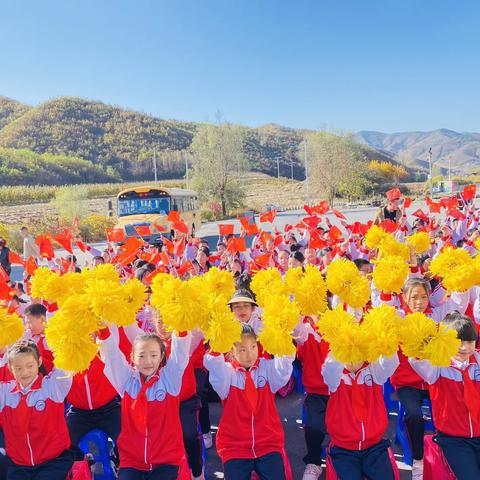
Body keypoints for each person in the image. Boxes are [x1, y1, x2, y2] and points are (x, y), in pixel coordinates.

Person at [97, 325, 192, 480]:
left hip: (166, 462)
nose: (148, 361)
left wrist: (181, 326)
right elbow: (112, 358)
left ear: (162, 356)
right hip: (132, 462)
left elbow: (179, 356)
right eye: (141, 356)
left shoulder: (169, 380)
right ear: (132, 357)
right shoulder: (127, 381)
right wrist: (102, 329)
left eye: (154, 355)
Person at [204, 323, 294, 480]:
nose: (250, 354)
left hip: (268, 444)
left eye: (253, 346)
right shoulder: (227, 373)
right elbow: (215, 367)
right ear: (231, 351)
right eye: (242, 350)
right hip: (234, 447)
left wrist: (283, 338)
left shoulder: (266, 367)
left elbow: (283, 369)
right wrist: (217, 342)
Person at [410, 312, 480, 480]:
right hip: (453, 439)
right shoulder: (437, 366)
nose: (464, 347)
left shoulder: (477, 360)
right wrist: (423, 344)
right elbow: (416, 360)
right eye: (458, 342)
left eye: (470, 341)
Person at [0, 340, 74, 480]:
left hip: (53, 462)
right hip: (19, 466)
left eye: (30, 366)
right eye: (18, 368)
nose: (25, 372)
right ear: (10, 368)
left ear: (39, 362)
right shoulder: (5, 392)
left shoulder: (52, 386)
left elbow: (66, 361)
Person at [322, 352, 400, 480]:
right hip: (343, 449)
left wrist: (386, 342)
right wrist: (340, 345)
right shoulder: (335, 373)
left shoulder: (374, 370)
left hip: (375, 446)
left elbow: (390, 363)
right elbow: (330, 369)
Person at [24, 303, 54, 373]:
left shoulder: (56, 336)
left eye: (29, 322)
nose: (28, 327)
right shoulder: (30, 336)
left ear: (42, 319)